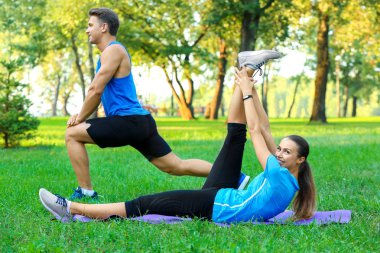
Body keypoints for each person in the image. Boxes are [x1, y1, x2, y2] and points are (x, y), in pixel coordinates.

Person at [40, 50, 317, 223]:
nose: (279, 153)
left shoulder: (279, 175)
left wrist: (245, 91)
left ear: (300, 160)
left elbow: (256, 131)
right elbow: (266, 130)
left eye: (286, 152)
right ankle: (246, 65)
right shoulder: (288, 176)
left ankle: (72, 208)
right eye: (280, 149)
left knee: (145, 204)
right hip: (226, 194)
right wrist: (250, 87)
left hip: (216, 207)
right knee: (234, 138)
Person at [65, 7, 220, 200]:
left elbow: (95, 90)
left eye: (90, 25)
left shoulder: (113, 50)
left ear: (103, 27)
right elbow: (99, 94)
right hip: (139, 122)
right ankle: (233, 177)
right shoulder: (110, 53)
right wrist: (81, 117)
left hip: (128, 121)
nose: (87, 30)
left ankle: (86, 192)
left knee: (72, 134)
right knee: (174, 166)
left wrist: (79, 118)